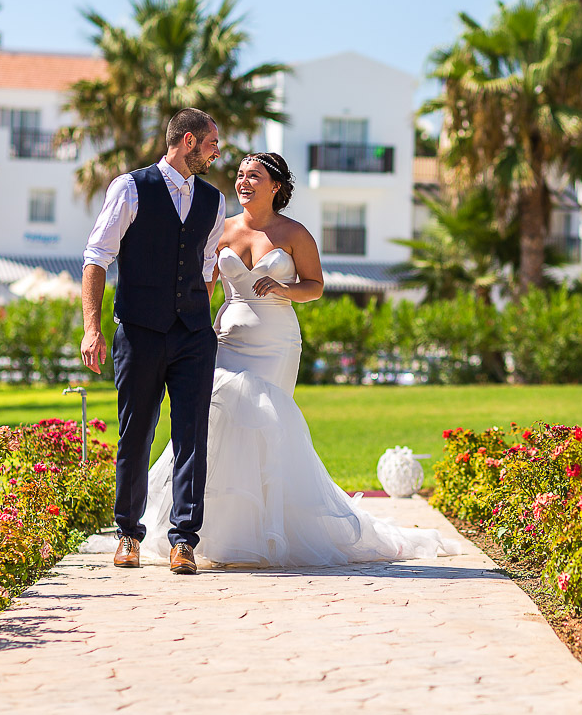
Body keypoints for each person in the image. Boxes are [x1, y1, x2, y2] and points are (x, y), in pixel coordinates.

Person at [140, 153, 458, 566]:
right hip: (225, 341)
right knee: (213, 423)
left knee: (265, 424)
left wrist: (285, 289)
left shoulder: (295, 233)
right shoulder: (221, 229)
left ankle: (268, 531)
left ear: (275, 186)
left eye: (253, 176)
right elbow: (202, 284)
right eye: (239, 175)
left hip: (276, 345)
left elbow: (316, 286)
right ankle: (205, 532)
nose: (243, 182)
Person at [79, 108, 225, 575]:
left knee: (192, 437)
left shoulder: (213, 200)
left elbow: (206, 269)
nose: (216, 152)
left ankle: (184, 541)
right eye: (211, 144)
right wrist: (92, 327)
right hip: (140, 333)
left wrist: (197, 321)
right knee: (135, 434)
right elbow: (96, 258)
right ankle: (128, 533)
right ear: (187, 141)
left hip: (193, 337)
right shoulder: (130, 187)